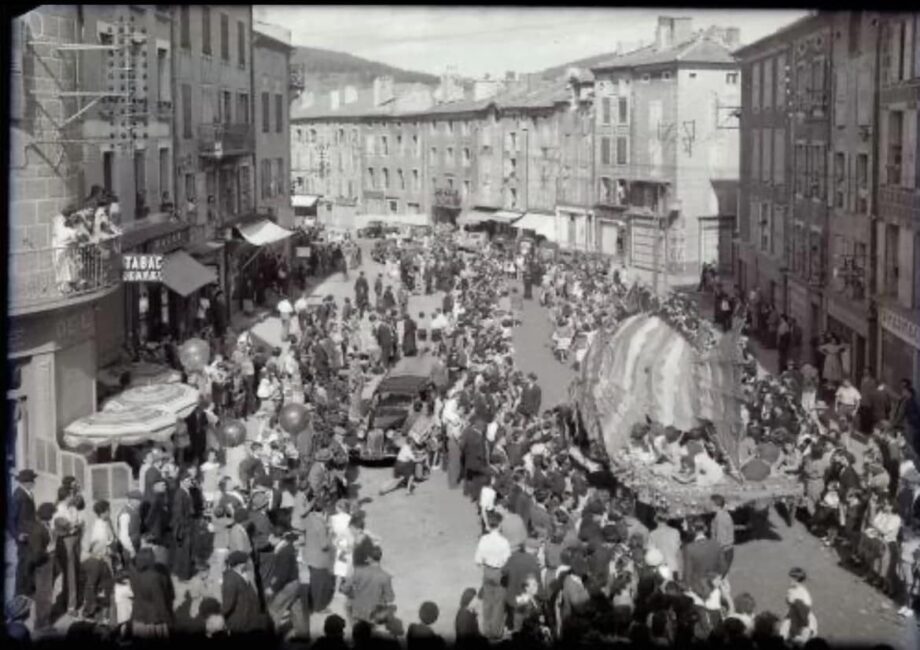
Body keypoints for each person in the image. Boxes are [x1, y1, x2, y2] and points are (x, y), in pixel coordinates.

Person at [473, 511, 511, 640]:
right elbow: (508, 561)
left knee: (487, 601)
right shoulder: (504, 542)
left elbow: (478, 560)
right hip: (499, 572)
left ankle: (487, 629)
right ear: (499, 525)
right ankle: (496, 631)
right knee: (499, 602)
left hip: (487, 571)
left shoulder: (484, 539)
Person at [342, 543, 395, 626]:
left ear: (369, 558)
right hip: (374, 614)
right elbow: (390, 598)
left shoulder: (358, 571)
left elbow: (344, 589)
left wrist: (353, 594)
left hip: (357, 611)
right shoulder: (385, 576)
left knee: (347, 605)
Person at [130, 547, 174, 640]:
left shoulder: (135, 574)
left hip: (138, 616)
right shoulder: (154, 577)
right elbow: (159, 601)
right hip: (154, 619)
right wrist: (168, 620)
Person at [222, 550, 267, 636]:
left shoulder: (241, 576)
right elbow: (227, 604)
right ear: (240, 565)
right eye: (246, 562)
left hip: (247, 621)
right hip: (239, 623)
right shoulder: (231, 579)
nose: (248, 564)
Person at [10, 469, 36, 597]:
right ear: (26, 482)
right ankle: (19, 596)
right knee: (22, 567)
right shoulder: (18, 495)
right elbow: (11, 519)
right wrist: (17, 535)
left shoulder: (28, 493)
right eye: (32, 480)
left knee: (28, 564)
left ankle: (27, 591)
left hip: (30, 535)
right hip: (23, 537)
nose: (34, 482)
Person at [710, 495, 735, 577]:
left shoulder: (720, 518)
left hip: (723, 552)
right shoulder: (723, 515)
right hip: (727, 550)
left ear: (715, 505)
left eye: (710, 504)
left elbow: (721, 540)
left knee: (719, 579)